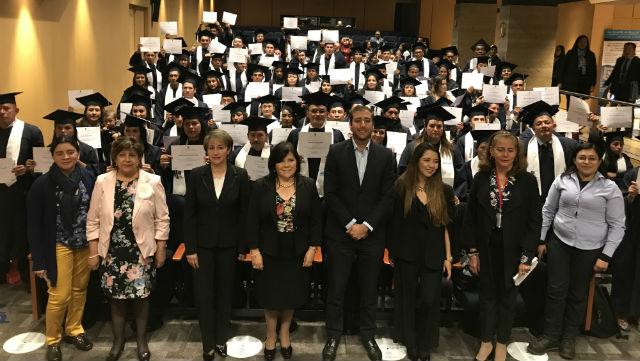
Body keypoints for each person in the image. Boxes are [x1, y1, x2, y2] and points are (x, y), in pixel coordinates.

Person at [528, 143, 625, 360]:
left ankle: (568, 337)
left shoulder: (610, 188)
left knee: (578, 294)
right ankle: (551, 335)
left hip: (590, 248)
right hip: (560, 243)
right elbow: (548, 210)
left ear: (599, 162)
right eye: (582, 157)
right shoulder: (562, 180)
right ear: (575, 160)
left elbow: (618, 225)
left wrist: (606, 255)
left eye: (592, 158)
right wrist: (542, 239)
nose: (587, 162)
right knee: (555, 290)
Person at [322, 105, 397, 361]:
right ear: (350, 124)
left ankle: (368, 334)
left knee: (368, 289)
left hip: (372, 235)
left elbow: (389, 196)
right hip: (340, 234)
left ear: (372, 124)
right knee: (336, 289)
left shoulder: (386, 155)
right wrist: (351, 223)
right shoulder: (335, 152)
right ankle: (333, 334)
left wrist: (367, 226)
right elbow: (330, 193)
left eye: (367, 121)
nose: (363, 125)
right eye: (358, 121)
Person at [86, 136, 169, 361]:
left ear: (139, 157)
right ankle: (118, 341)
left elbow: (162, 219)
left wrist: (161, 248)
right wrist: (94, 252)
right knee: (116, 300)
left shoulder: (152, 181)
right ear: (114, 157)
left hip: (140, 252)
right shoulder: (102, 181)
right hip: (111, 252)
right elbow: (92, 220)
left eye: (132, 154)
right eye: (122, 154)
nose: (127, 159)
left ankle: (141, 341)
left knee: (141, 299)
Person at [463, 130, 541, 361]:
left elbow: (534, 221)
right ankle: (486, 341)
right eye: (500, 149)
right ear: (491, 151)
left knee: (508, 299)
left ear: (517, 153)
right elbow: (471, 217)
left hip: (514, 249)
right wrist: (472, 251)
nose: (505, 154)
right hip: (487, 247)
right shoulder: (481, 177)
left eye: (510, 150)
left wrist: (527, 256)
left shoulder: (527, 180)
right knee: (487, 297)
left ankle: (501, 343)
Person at [246, 142, 322, 360]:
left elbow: (316, 220)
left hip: (297, 250)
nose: (286, 165)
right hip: (268, 250)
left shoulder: (308, 185)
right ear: (274, 163)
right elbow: (251, 221)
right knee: (270, 296)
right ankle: (270, 336)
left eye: (291, 160)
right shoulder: (261, 185)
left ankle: (285, 333)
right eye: (281, 160)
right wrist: (254, 250)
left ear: (297, 162)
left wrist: (311, 248)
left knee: (290, 295)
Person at [27, 136, 96, 361]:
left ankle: (74, 329)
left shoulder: (88, 176)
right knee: (59, 294)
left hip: (84, 243)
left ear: (78, 153)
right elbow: (34, 225)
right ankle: (53, 339)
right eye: (60, 153)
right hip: (58, 244)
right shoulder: (42, 184)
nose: (66, 157)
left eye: (70, 152)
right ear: (53, 156)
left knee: (79, 290)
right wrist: (39, 261)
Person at [184, 129, 251, 361]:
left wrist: (243, 247)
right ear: (206, 151)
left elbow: (245, 214)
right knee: (204, 295)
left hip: (230, 246)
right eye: (211, 148)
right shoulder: (195, 175)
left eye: (220, 147)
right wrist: (190, 248)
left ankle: (221, 339)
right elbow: (189, 215)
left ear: (229, 149)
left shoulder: (240, 175)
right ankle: (207, 343)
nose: (216, 152)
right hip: (201, 247)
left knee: (225, 294)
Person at [390, 142, 455, 361]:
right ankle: (410, 341)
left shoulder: (444, 190)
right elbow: (394, 224)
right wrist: (392, 251)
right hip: (406, 253)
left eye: (435, 161)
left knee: (429, 300)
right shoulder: (401, 187)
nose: (431, 165)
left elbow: (445, 226)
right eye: (427, 160)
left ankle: (425, 342)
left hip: (433, 253)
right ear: (416, 161)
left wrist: (448, 257)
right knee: (407, 299)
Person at [0, 92, 44, 282]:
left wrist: (28, 169)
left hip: (22, 193)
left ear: (16, 110)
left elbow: (43, 164)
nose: (2, 112)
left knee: (22, 233)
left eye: (6, 108)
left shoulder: (32, 131)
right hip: (0, 195)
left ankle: (27, 278)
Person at [611, 165, 640, 331]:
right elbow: (619, 203)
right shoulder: (632, 174)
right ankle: (620, 312)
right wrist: (630, 196)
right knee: (625, 269)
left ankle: (636, 314)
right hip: (631, 230)